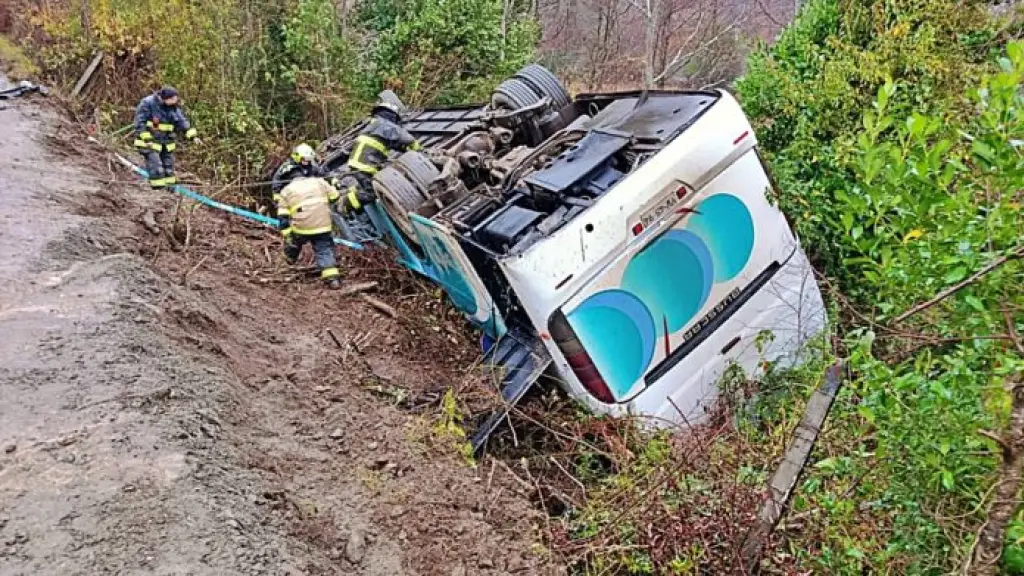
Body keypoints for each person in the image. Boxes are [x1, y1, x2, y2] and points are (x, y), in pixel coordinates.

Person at [344, 100, 422, 207]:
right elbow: (406, 138)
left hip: (360, 164)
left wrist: (404, 149)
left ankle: (348, 198)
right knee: (371, 193)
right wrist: (417, 148)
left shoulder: (376, 125)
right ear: (392, 115)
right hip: (365, 165)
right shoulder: (386, 124)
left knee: (365, 186)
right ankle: (345, 202)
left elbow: (391, 143)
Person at [275, 177, 343, 288]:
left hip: (301, 227)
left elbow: (283, 217)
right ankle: (332, 278)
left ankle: (288, 260)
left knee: (294, 242)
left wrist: (287, 235)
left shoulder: (286, 191)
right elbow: (335, 196)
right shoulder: (320, 182)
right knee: (324, 249)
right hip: (323, 225)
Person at [133, 86, 199, 189]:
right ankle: (158, 193)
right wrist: (147, 138)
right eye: (172, 99)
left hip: (166, 143)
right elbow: (139, 123)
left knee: (169, 169)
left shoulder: (173, 107)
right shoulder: (148, 103)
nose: (174, 102)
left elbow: (181, 121)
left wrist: (193, 137)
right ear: (164, 98)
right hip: (149, 142)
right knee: (156, 168)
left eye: (175, 100)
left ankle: (170, 192)